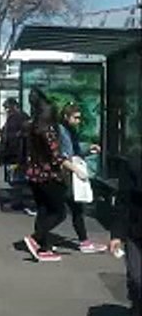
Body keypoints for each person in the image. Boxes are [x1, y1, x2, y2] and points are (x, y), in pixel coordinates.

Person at [23, 90, 87, 262]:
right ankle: (36, 238)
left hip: (33, 175)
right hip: (48, 176)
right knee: (59, 213)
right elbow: (57, 157)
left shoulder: (31, 127)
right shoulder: (49, 131)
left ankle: (43, 248)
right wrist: (75, 169)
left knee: (43, 210)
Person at [59, 103, 107, 254]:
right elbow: (63, 156)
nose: (78, 121)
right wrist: (78, 170)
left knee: (73, 209)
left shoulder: (68, 130)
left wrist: (88, 148)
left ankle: (83, 241)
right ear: (66, 117)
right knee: (59, 211)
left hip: (65, 175)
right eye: (76, 117)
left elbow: (73, 150)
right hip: (65, 176)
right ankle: (38, 238)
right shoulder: (63, 131)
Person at [108, 145, 142, 316]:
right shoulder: (133, 162)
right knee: (138, 278)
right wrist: (117, 235)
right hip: (135, 229)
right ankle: (137, 308)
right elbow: (123, 200)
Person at [0, 97, 29, 186]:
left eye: (8, 108)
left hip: (17, 150)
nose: (7, 111)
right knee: (13, 175)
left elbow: (24, 132)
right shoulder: (12, 117)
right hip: (11, 150)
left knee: (17, 176)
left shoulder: (21, 117)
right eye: (6, 108)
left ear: (14, 106)